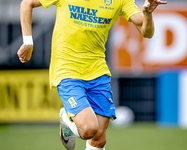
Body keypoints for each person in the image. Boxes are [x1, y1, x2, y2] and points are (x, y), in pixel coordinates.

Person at [17, 0, 167, 150]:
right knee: (89, 129)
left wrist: (147, 13)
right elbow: (27, 3)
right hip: (67, 69)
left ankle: (70, 119)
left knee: (99, 139)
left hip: (97, 72)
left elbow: (146, 32)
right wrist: (28, 42)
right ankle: (66, 117)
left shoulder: (120, 1)